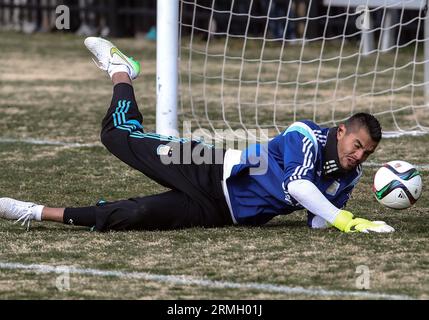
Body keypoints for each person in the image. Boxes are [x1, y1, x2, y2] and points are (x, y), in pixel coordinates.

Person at [0, 37, 394, 234]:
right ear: (340, 131)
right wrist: (349, 220)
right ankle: (121, 70)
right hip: (207, 168)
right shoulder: (305, 135)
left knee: (135, 216)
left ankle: (30, 211)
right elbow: (302, 188)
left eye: (367, 153)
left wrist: (346, 208)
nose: (360, 156)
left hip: (220, 213)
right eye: (357, 145)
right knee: (116, 136)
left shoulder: (348, 176)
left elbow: (315, 223)